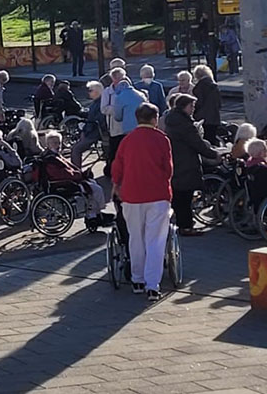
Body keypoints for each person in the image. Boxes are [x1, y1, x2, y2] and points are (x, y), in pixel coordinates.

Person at [110, 103, 173, 301]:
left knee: (135, 238)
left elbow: (117, 167)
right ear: (155, 119)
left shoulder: (127, 140)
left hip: (131, 195)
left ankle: (137, 279)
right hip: (157, 194)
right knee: (155, 240)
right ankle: (152, 285)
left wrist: (116, 185)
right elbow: (168, 169)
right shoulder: (162, 139)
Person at [163, 93, 218, 236]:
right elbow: (197, 144)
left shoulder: (172, 120)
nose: (193, 109)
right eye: (191, 106)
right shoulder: (185, 124)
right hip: (186, 163)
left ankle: (182, 223)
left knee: (179, 195)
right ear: (184, 107)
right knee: (185, 197)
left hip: (176, 161)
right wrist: (214, 154)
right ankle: (186, 226)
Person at [34, 132, 109, 231]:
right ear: (48, 144)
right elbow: (62, 174)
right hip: (63, 183)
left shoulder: (52, 156)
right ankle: (93, 216)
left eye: (59, 143)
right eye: (54, 143)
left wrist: (80, 173)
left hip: (64, 181)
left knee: (92, 184)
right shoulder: (51, 159)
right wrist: (80, 175)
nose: (57, 145)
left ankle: (94, 214)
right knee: (96, 189)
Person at [105, 67, 146, 171]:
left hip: (128, 130)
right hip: (142, 126)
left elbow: (118, 117)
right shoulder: (141, 95)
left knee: (130, 152)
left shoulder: (120, 97)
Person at [71, 79, 107, 170]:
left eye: (90, 90)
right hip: (93, 130)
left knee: (76, 149)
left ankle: (76, 172)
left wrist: (85, 131)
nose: (88, 93)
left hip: (95, 132)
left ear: (97, 91)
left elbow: (97, 121)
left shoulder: (100, 104)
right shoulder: (97, 102)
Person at [191, 64, 223, 146]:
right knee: (212, 140)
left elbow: (198, 103)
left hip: (202, 118)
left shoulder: (199, 87)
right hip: (214, 118)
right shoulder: (215, 86)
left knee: (204, 142)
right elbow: (219, 104)